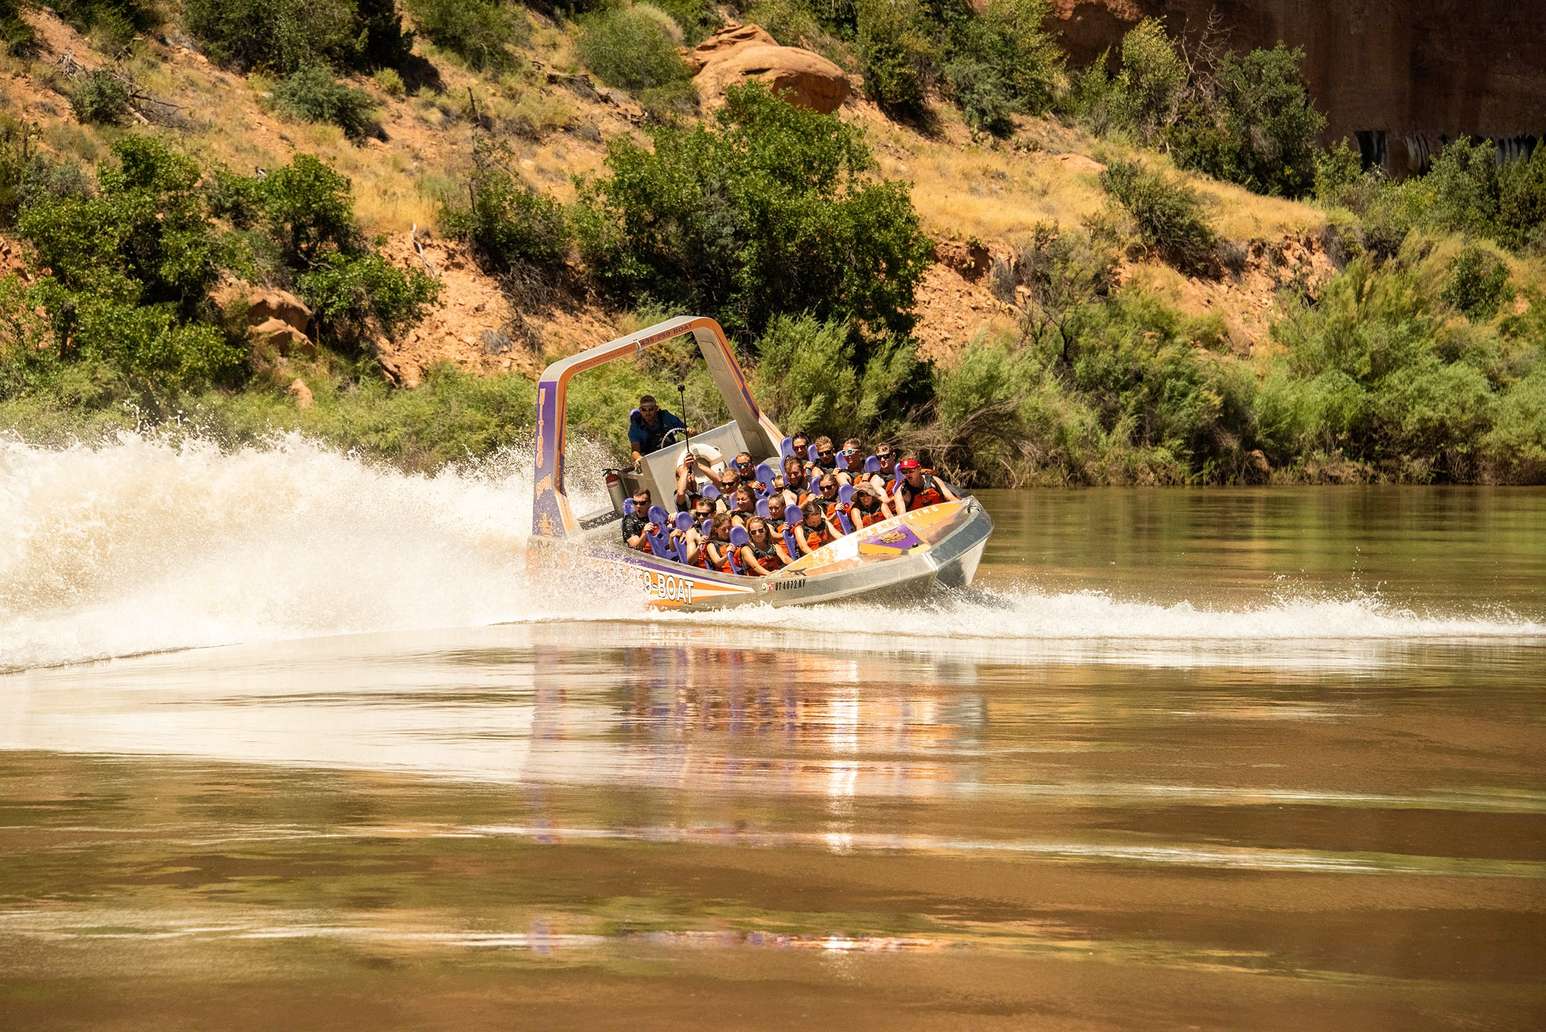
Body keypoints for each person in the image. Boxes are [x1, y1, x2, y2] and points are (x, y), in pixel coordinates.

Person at [628, 394, 686, 465]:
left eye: (651, 409)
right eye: (644, 410)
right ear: (640, 410)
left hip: (674, 456)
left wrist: (690, 431)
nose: (647, 412)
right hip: (651, 462)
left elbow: (685, 430)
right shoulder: (635, 426)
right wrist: (639, 458)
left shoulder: (666, 416)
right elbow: (635, 450)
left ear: (656, 408)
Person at [894, 456, 959, 511]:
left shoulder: (934, 481)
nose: (907, 474)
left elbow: (951, 499)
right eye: (904, 471)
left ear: (919, 468)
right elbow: (901, 518)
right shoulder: (901, 493)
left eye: (910, 471)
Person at [621, 488, 656, 552]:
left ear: (649, 503)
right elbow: (636, 547)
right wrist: (645, 533)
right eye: (635, 503)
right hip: (646, 556)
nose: (638, 506)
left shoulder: (656, 513)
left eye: (642, 503)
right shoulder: (629, 521)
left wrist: (673, 518)